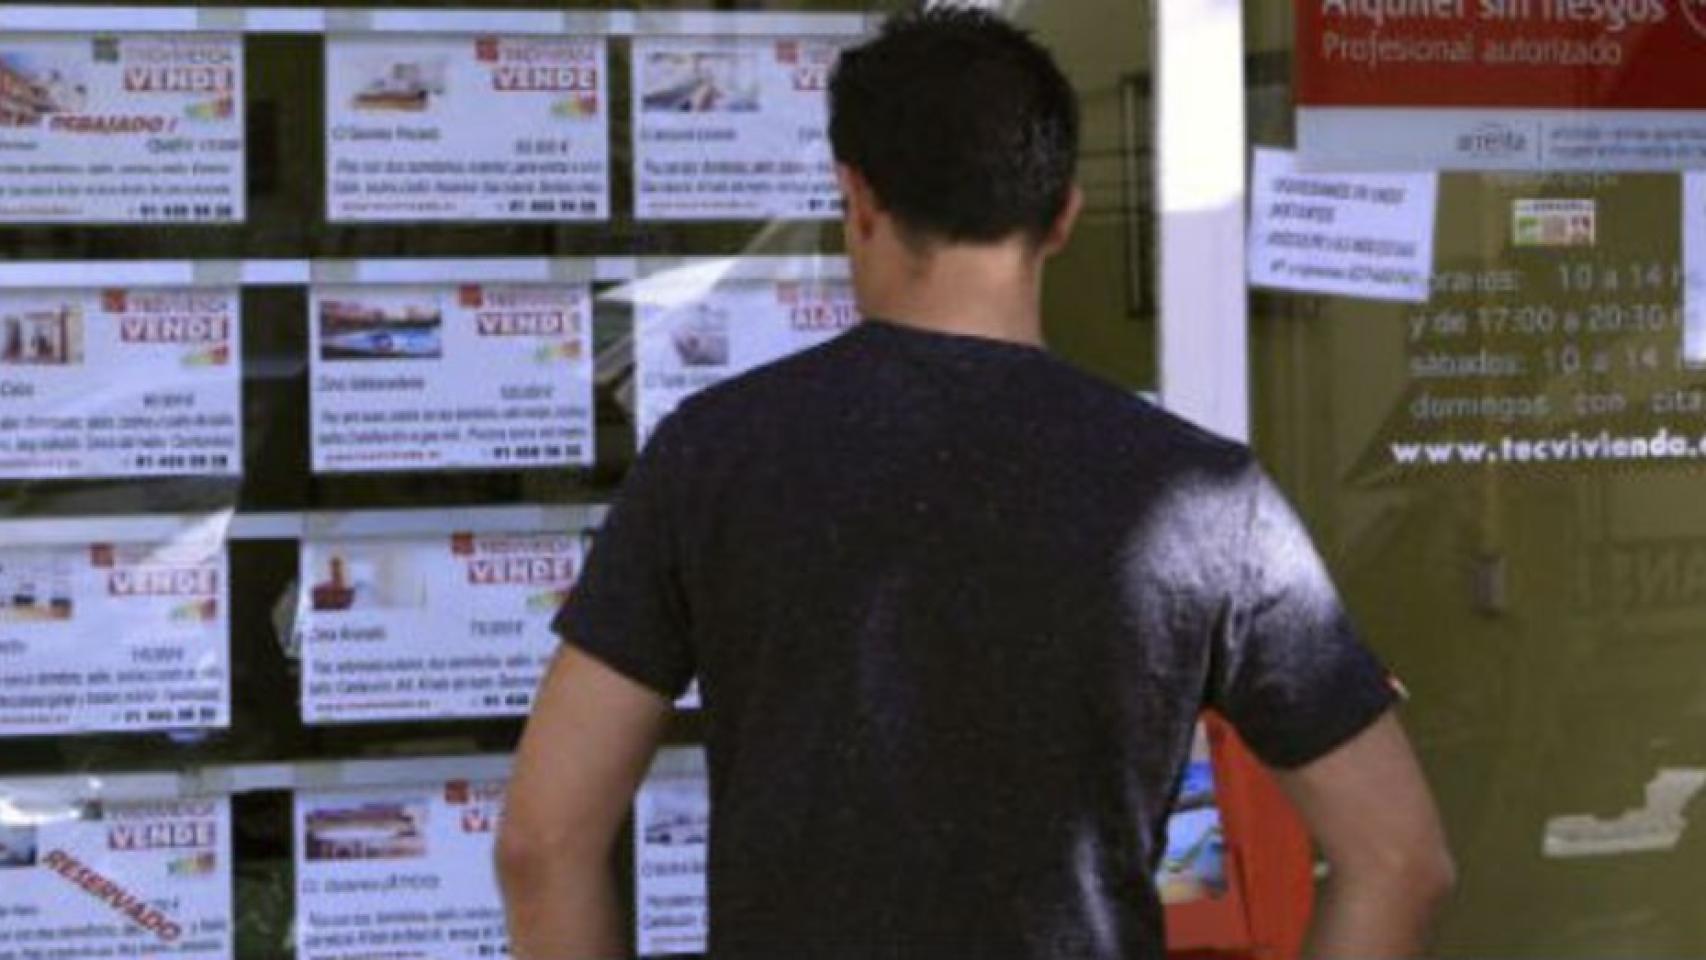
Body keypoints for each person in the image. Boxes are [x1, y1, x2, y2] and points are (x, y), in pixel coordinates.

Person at [497, 8, 1454, 959]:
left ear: (856, 199)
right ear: (1065, 214)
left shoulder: (714, 456)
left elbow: (542, 845)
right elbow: (1400, 861)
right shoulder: (1205, 497)